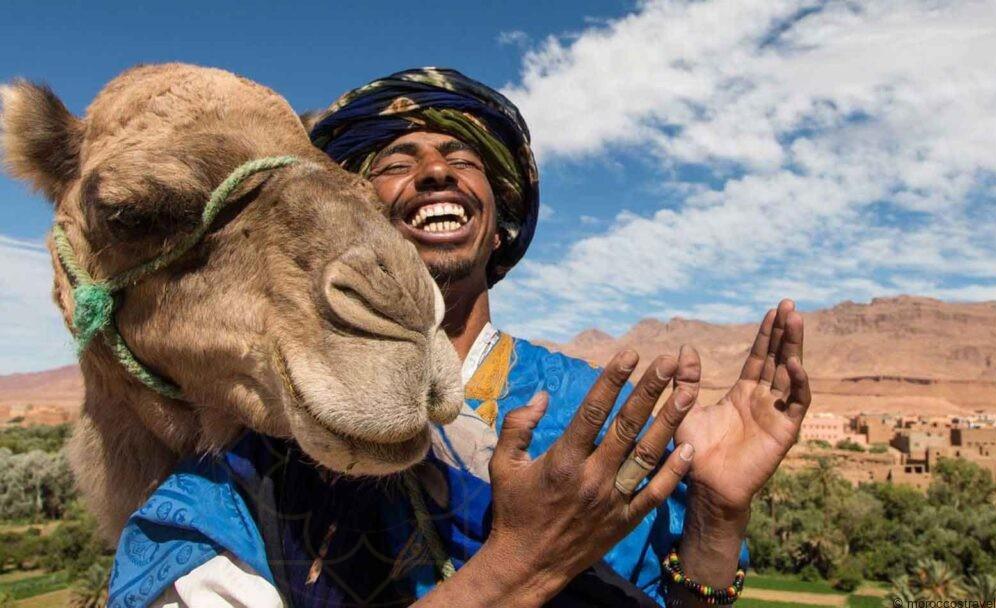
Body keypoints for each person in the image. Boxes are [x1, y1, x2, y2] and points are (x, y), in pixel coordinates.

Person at [108, 68, 811, 608]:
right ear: (349, 209)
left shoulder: (596, 411)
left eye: (460, 156)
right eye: (394, 160)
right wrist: (520, 565)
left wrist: (718, 513)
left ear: (500, 220)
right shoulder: (257, 460)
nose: (435, 171)